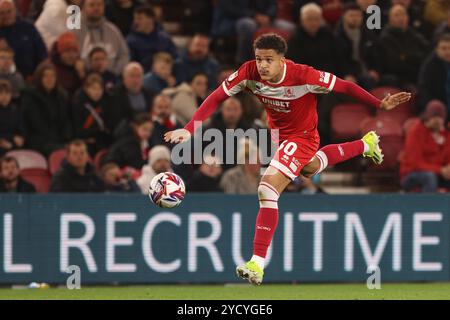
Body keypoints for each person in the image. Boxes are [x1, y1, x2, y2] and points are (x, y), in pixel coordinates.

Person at [164, 33, 411, 285]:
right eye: (259, 58)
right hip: (279, 137)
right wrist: (190, 127)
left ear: (282, 60)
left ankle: (257, 263)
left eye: (269, 59)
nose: (262, 65)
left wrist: (378, 103)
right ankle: (365, 144)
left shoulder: (305, 76)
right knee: (309, 168)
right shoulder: (248, 72)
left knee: (267, 188)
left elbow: (345, 86)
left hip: (303, 137)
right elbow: (217, 96)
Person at [21, 62, 72, 156]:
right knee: (64, 153)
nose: (50, 79)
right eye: (46, 76)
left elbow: (66, 121)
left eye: (52, 76)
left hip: (59, 139)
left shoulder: (61, 96)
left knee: (78, 149)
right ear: (39, 78)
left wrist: (67, 139)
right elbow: (36, 124)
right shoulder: (30, 97)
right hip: (38, 140)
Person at [400, 100, 450, 193]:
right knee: (429, 177)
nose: (437, 121)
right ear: (428, 117)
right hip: (411, 174)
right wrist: (440, 170)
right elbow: (416, 164)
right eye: (434, 117)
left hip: (437, 173)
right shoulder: (416, 132)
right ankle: (428, 207)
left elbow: (446, 158)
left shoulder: (445, 134)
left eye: (440, 118)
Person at [286, 3, 346, 78]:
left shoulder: (328, 34)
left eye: (316, 19)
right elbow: (295, 67)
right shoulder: (295, 39)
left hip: (331, 78)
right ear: (302, 21)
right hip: (309, 81)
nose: (313, 23)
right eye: (310, 19)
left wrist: (346, 75)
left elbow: (339, 57)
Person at [73, 0, 130, 75]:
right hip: (84, 78)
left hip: (112, 78)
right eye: (92, 5)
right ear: (83, 8)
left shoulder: (113, 30)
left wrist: (113, 72)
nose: (96, 8)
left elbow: (124, 55)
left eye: (99, 5)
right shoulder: (74, 31)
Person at [378, 4, 429, 87]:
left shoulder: (412, 33)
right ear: (390, 19)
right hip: (401, 77)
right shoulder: (386, 38)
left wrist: (407, 56)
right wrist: (415, 59)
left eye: (403, 14)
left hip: (419, 72)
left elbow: (427, 51)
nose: (401, 18)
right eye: (397, 15)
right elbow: (394, 64)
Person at [0, 0, 47, 78]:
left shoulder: (28, 27)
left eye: (9, 12)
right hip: (5, 78)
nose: (6, 16)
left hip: (31, 76)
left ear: (15, 10)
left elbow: (42, 53)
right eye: (2, 13)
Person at [71, 73, 113, 156]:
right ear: (86, 89)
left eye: (99, 89)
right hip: (85, 141)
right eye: (93, 89)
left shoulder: (107, 101)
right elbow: (77, 128)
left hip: (102, 140)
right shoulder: (78, 103)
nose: (97, 92)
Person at [126, 4, 177, 71]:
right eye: (135, 18)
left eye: (139, 18)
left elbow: (175, 58)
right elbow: (131, 65)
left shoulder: (164, 38)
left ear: (151, 19)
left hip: (165, 75)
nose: (136, 22)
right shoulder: (130, 41)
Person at [109, 62, 154, 130]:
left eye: (139, 76)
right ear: (124, 77)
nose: (136, 80)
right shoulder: (115, 95)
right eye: (132, 76)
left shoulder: (148, 94)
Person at [418, 33, 450, 115]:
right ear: (437, 50)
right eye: (444, 48)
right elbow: (424, 90)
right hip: (438, 111)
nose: (448, 52)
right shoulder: (430, 66)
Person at [50, 32, 85, 96]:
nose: (71, 55)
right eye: (67, 51)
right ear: (60, 53)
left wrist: (82, 76)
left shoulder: (81, 68)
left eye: (74, 51)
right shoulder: (50, 68)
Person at [0, 79, 22, 156]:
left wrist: (21, 138)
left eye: (7, 93)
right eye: (1, 93)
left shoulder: (15, 109)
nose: (4, 96)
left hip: (13, 141)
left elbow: (20, 128)